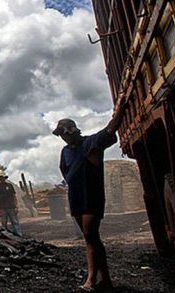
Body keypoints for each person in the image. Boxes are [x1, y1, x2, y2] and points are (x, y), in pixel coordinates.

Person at [55, 112, 123, 292]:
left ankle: (91, 280)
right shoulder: (65, 151)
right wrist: (73, 181)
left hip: (91, 196)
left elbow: (110, 129)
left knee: (90, 234)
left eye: (64, 134)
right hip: (76, 197)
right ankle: (106, 279)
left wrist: (122, 108)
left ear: (71, 131)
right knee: (91, 238)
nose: (63, 138)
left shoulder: (91, 142)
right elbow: (64, 169)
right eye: (61, 135)